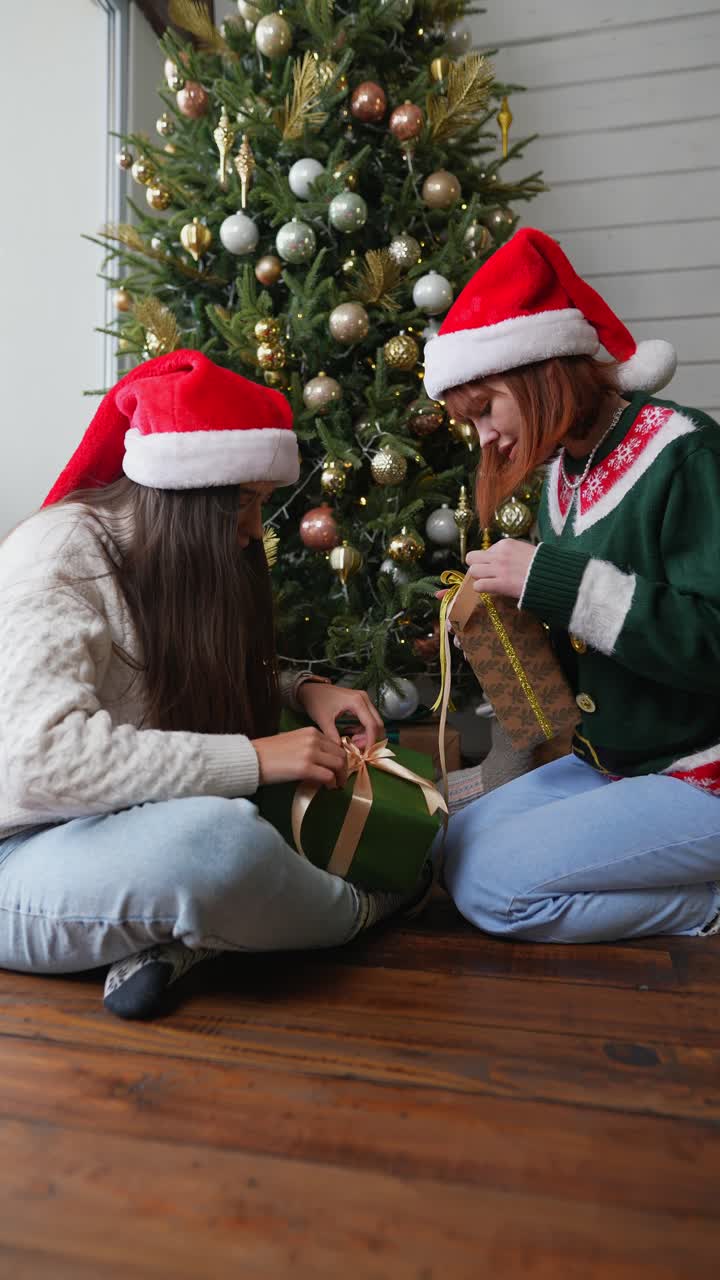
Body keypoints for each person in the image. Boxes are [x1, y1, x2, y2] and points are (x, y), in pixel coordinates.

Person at [0, 349, 425, 1019]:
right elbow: (40, 761)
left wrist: (301, 689)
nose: (255, 531)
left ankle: (185, 939)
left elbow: (170, 667)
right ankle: (362, 908)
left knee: (247, 819)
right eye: (245, 505)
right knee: (217, 841)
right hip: (17, 853)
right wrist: (252, 758)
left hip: (114, 826)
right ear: (192, 495)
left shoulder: (166, 556)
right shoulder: (58, 558)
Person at [423, 226, 720, 944]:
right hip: (613, 765)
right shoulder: (568, 475)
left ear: (541, 369)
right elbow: (589, 648)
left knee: (495, 888)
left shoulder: (683, 451)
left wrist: (554, 580)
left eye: (487, 408)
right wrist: (501, 630)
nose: (486, 439)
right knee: (442, 849)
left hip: (699, 771)